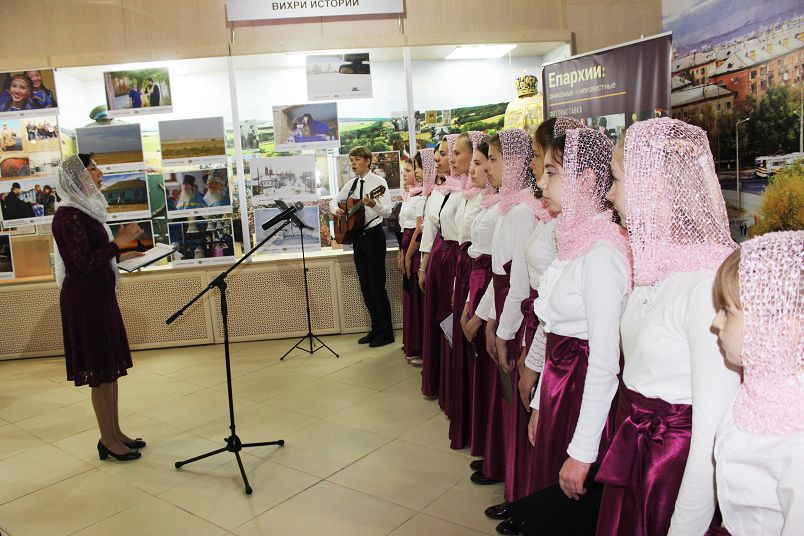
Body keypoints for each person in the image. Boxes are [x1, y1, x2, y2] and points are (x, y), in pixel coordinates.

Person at [595, 117, 742, 535]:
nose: (609, 194)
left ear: (653, 189)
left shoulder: (705, 285)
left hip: (672, 471)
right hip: (639, 450)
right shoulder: (657, 268)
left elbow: (710, 437)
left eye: (617, 179)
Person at [510, 128, 631, 535]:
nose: (542, 184)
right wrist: (541, 403)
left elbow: (604, 361)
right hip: (561, 388)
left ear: (588, 180)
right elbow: (555, 331)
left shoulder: (601, 255)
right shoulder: (576, 243)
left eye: (552, 172)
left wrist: (582, 450)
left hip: (581, 394)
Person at [51, 153, 146, 462]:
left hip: (100, 297)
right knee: (100, 373)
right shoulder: (68, 215)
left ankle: (115, 432)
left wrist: (122, 256)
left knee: (110, 371)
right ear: (78, 176)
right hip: (85, 302)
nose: (100, 173)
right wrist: (118, 243)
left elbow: (97, 254)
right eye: (93, 168)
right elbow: (82, 263)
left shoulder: (86, 210)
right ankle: (107, 440)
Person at [710, 231, 803, 535]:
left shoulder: (796, 440)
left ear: (784, 330)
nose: (716, 323)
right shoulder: (759, 391)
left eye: (727, 312)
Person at [459, 137, 500, 479]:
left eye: (484, 161)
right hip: (479, 282)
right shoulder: (490, 202)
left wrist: (481, 313)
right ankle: (488, 447)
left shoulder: (510, 209)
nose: (477, 168)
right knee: (482, 374)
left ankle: (496, 456)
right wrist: (468, 303)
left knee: (492, 376)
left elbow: (504, 272)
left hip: (490, 286)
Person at [329, 146, 394, 347]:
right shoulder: (351, 184)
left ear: (367, 161)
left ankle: (387, 333)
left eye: (357, 159)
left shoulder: (379, 183)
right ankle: (376, 329)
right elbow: (333, 201)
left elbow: (388, 211)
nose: (353, 163)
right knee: (365, 287)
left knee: (377, 286)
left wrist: (374, 204)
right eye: (351, 160)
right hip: (358, 239)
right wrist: (337, 210)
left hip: (374, 237)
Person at [448, 130, 486, 450]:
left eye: (458, 153)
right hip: (466, 273)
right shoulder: (465, 194)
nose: (453, 160)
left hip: (478, 278)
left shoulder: (485, 200)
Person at [418, 135, 463, 398]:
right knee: (439, 318)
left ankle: (451, 383)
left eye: (447, 154)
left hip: (454, 259)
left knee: (450, 318)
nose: (442, 160)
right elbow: (429, 230)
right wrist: (423, 266)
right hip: (439, 257)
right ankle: (439, 380)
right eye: (440, 156)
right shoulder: (440, 190)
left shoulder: (465, 191)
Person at [399, 152, 426, 364]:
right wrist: (401, 253)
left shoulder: (422, 197)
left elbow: (419, 229)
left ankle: (419, 345)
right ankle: (411, 341)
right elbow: (404, 228)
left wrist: (408, 255)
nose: (409, 174)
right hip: (407, 245)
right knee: (410, 293)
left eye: (411, 169)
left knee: (417, 296)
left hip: (415, 248)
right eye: (408, 170)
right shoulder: (410, 196)